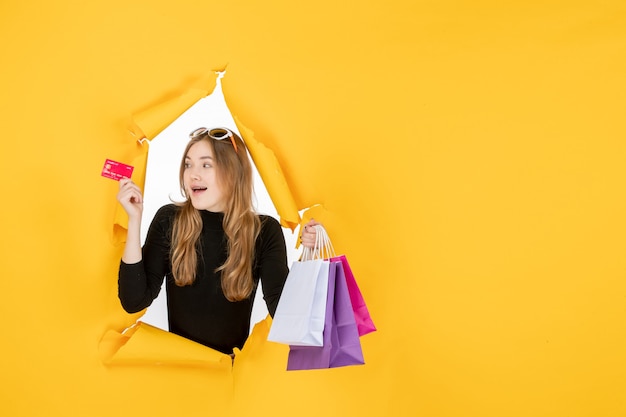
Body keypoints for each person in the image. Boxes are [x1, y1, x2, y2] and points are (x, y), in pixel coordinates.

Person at [116, 127, 318, 356]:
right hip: (179, 371)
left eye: (206, 165)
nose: (193, 174)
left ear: (233, 172)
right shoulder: (169, 220)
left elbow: (285, 314)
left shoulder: (264, 231)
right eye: (188, 164)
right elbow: (133, 301)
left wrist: (309, 256)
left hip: (231, 377)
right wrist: (134, 221)